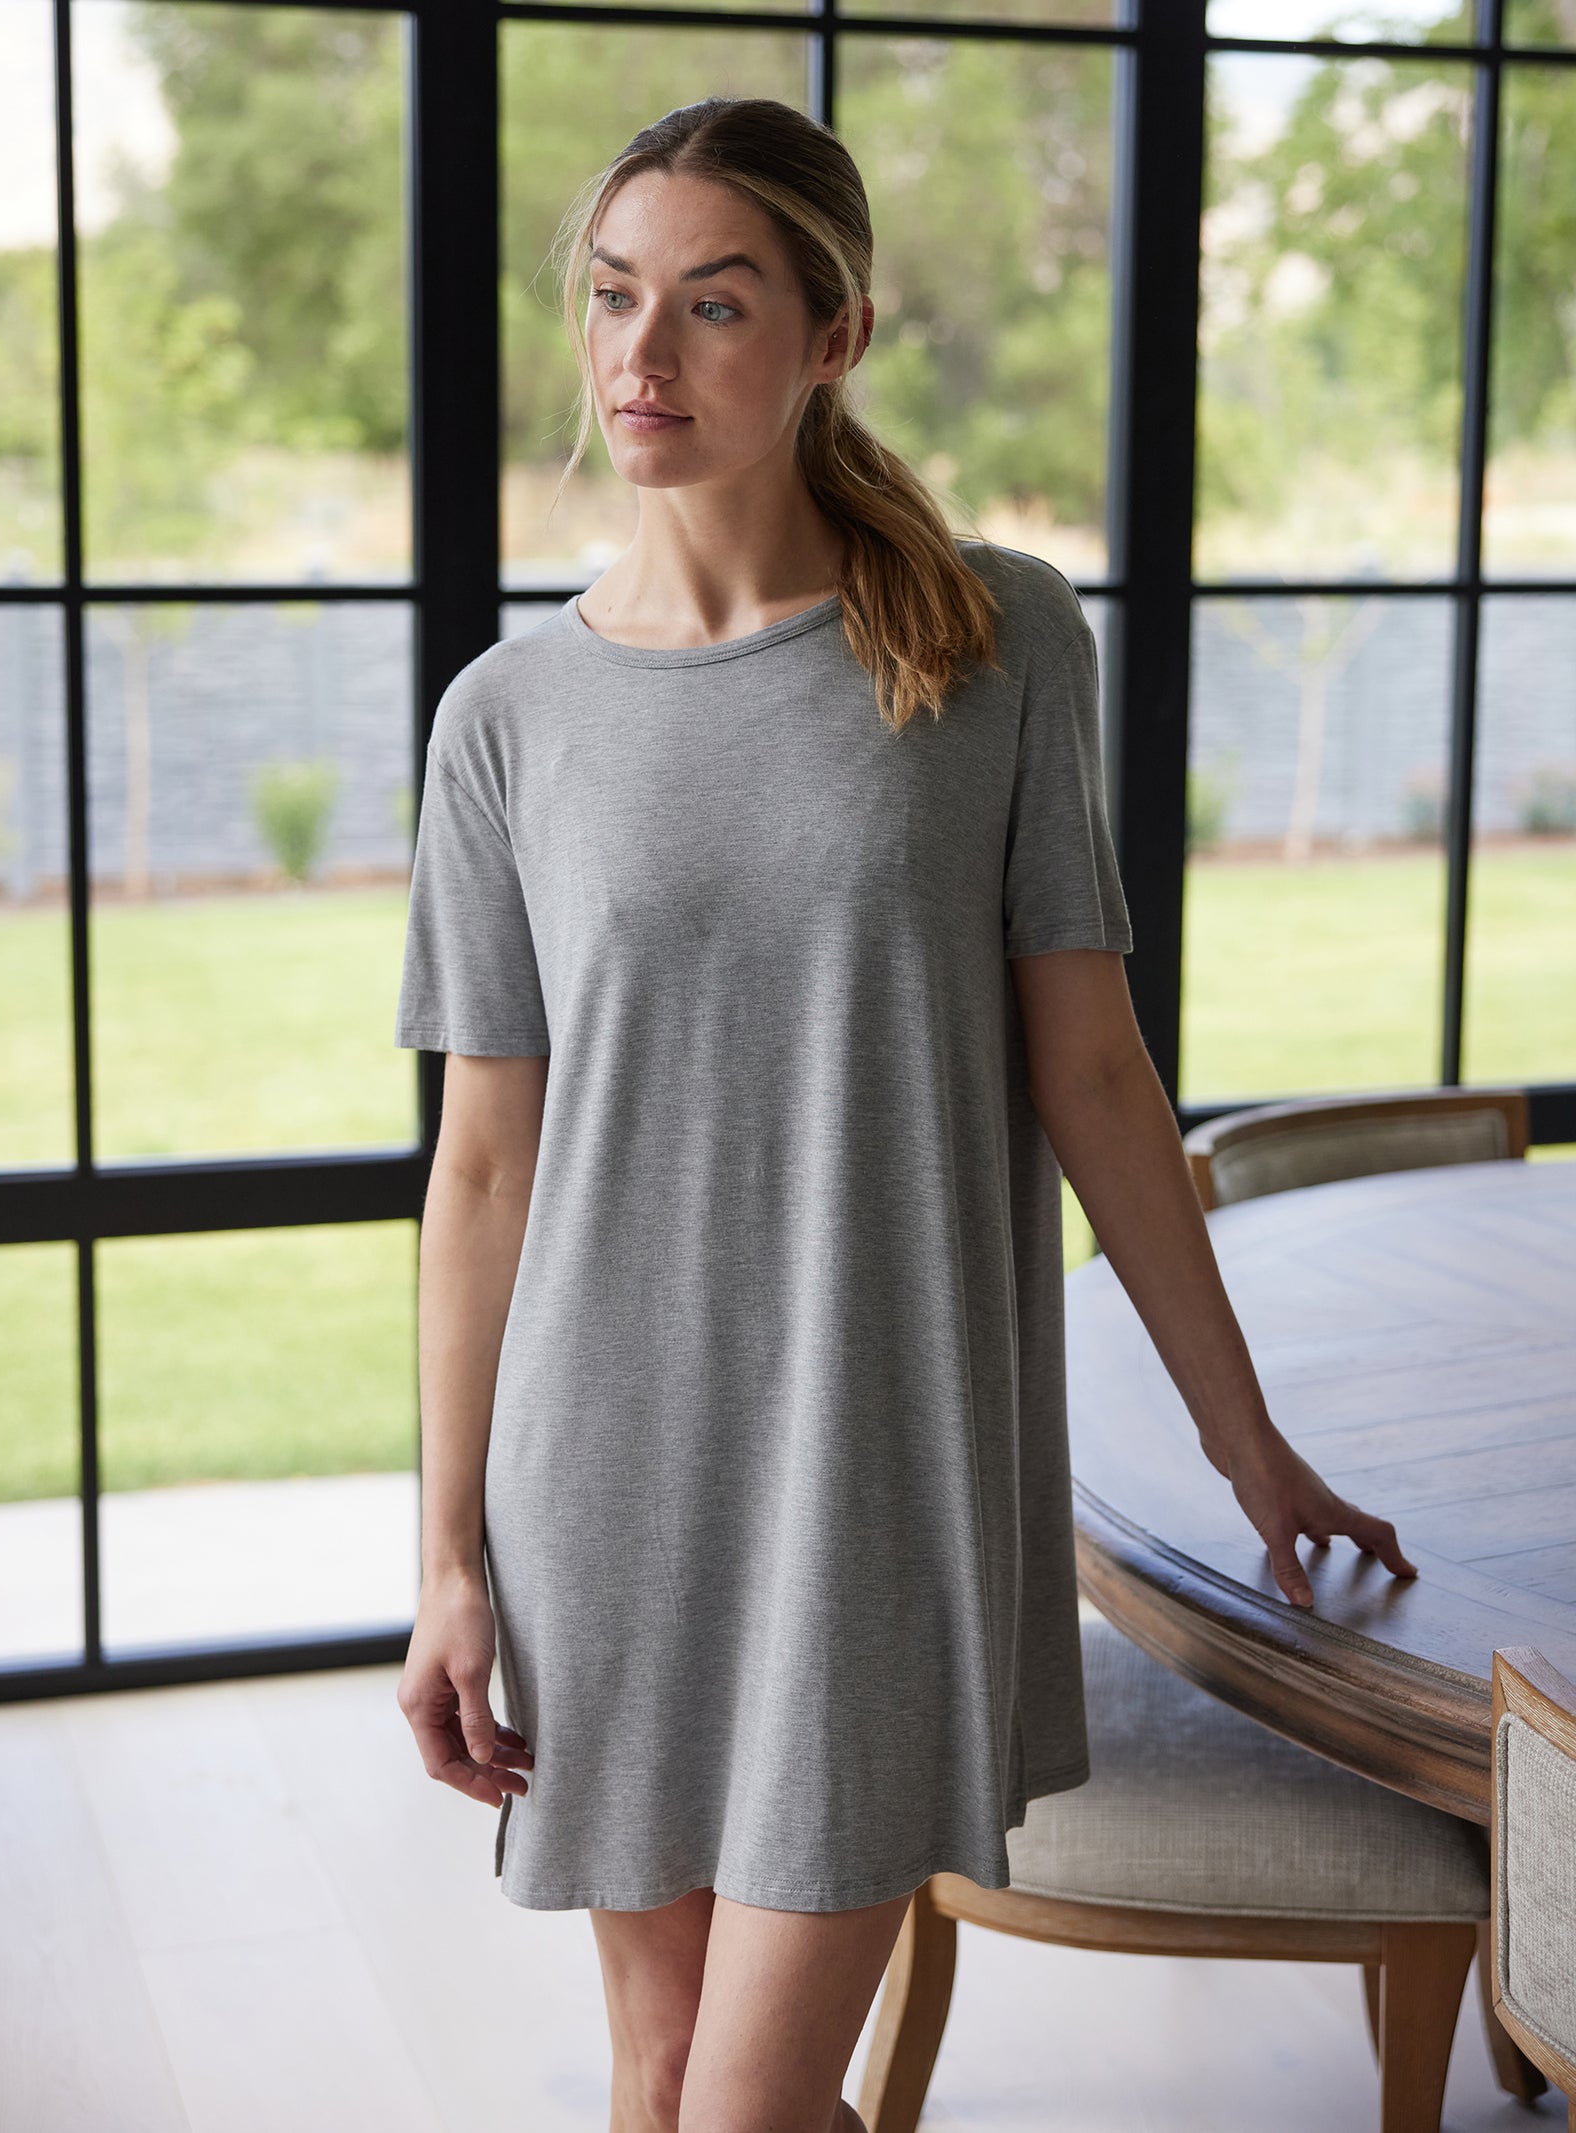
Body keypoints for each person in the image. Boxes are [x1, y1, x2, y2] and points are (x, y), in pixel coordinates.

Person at [392, 94, 1417, 2133]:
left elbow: (1096, 1075)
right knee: (669, 2070)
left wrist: (1244, 1437)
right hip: (600, 1473)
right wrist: (444, 1556)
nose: (640, 358)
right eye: (612, 298)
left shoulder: (989, 637)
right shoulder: (506, 719)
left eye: (711, 303)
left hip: (879, 1474)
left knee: (747, 2097)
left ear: (831, 335)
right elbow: (485, 1164)